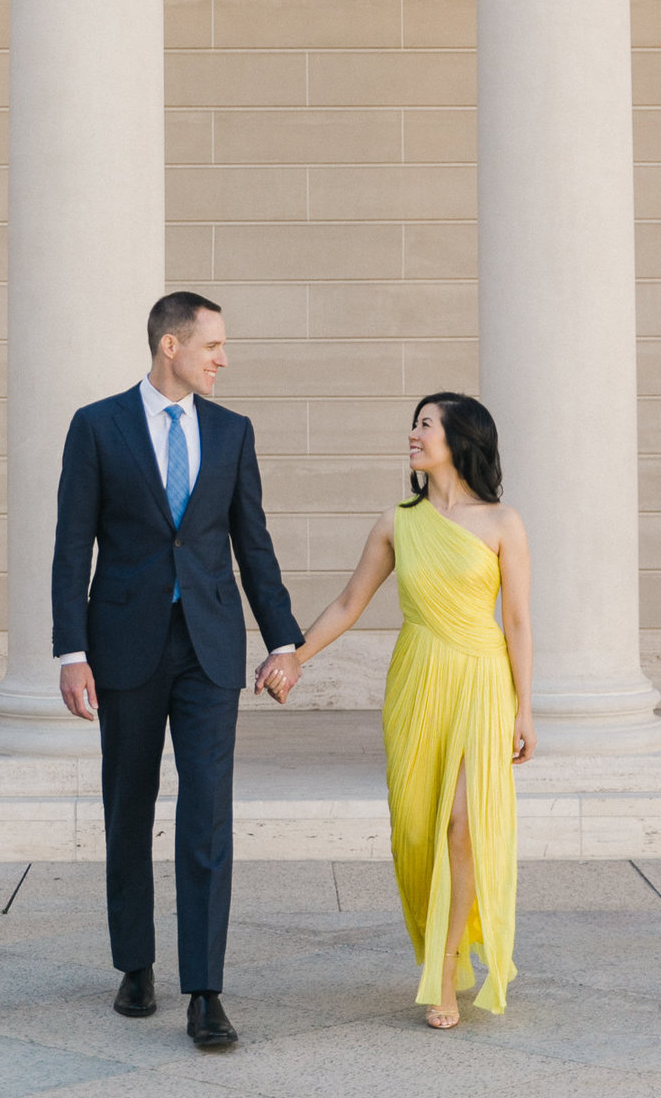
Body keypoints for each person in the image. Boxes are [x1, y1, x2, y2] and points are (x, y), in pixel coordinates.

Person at [52, 291, 303, 1051]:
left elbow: (251, 543)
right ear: (170, 346)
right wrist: (71, 652)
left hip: (209, 648)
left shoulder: (231, 432)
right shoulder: (97, 426)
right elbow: (72, 547)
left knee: (208, 817)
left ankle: (205, 990)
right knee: (129, 806)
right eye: (213, 346)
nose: (223, 359)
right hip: (123, 644)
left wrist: (284, 638)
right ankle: (135, 963)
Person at [257, 391, 534, 1028]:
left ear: (459, 439)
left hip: (483, 682)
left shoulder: (502, 523)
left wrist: (526, 709)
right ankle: (440, 942)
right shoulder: (396, 521)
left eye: (426, 425)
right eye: (414, 424)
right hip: (417, 681)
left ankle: (442, 970)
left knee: (463, 828)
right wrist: (295, 657)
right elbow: (351, 602)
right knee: (416, 832)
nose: (413, 434)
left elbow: (517, 621)